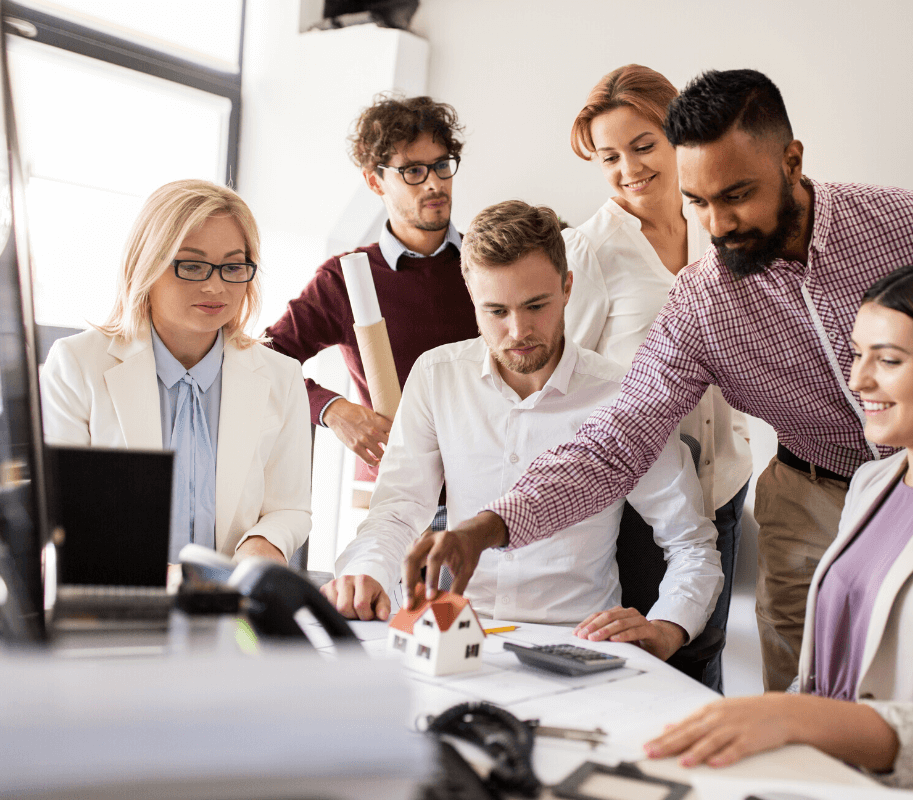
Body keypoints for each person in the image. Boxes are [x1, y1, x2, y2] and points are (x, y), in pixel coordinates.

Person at [402, 68, 913, 692]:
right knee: (809, 693)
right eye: (698, 202)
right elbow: (614, 444)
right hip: (811, 496)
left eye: (736, 196)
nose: (717, 225)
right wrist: (488, 527)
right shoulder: (700, 301)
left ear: (791, 161)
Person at [643, 262, 913, 799]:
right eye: (855, 354)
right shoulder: (874, 483)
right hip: (832, 777)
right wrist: (772, 726)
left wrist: (790, 717)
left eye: (888, 360)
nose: (857, 381)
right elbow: (830, 672)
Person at [322, 201, 722, 661]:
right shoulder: (437, 376)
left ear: (567, 287)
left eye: (536, 305)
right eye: (496, 311)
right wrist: (367, 572)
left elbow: (692, 544)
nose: (519, 331)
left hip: (577, 641)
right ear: (471, 298)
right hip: (455, 633)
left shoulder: (622, 397)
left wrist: (668, 627)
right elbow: (397, 510)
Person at [563, 64, 753, 689]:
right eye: (609, 157)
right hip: (636, 504)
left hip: (722, 482)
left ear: (677, 137)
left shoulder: (717, 228)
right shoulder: (587, 251)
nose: (629, 169)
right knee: (642, 671)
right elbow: (567, 382)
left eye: (643, 146)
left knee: (705, 659)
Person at [41, 179, 311, 563]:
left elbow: (289, 507)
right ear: (146, 266)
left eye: (233, 266)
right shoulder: (76, 363)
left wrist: (264, 543)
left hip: (225, 605)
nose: (216, 286)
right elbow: (59, 507)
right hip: (118, 599)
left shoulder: (281, 376)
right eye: (193, 266)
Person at [264, 93, 478, 482]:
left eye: (441, 166)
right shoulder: (344, 280)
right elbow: (263, 359)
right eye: (412, 170)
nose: (434, 183)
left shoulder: (488, 264)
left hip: (497, 490)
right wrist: (330, 408)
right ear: (373, 181)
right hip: (403, 497)